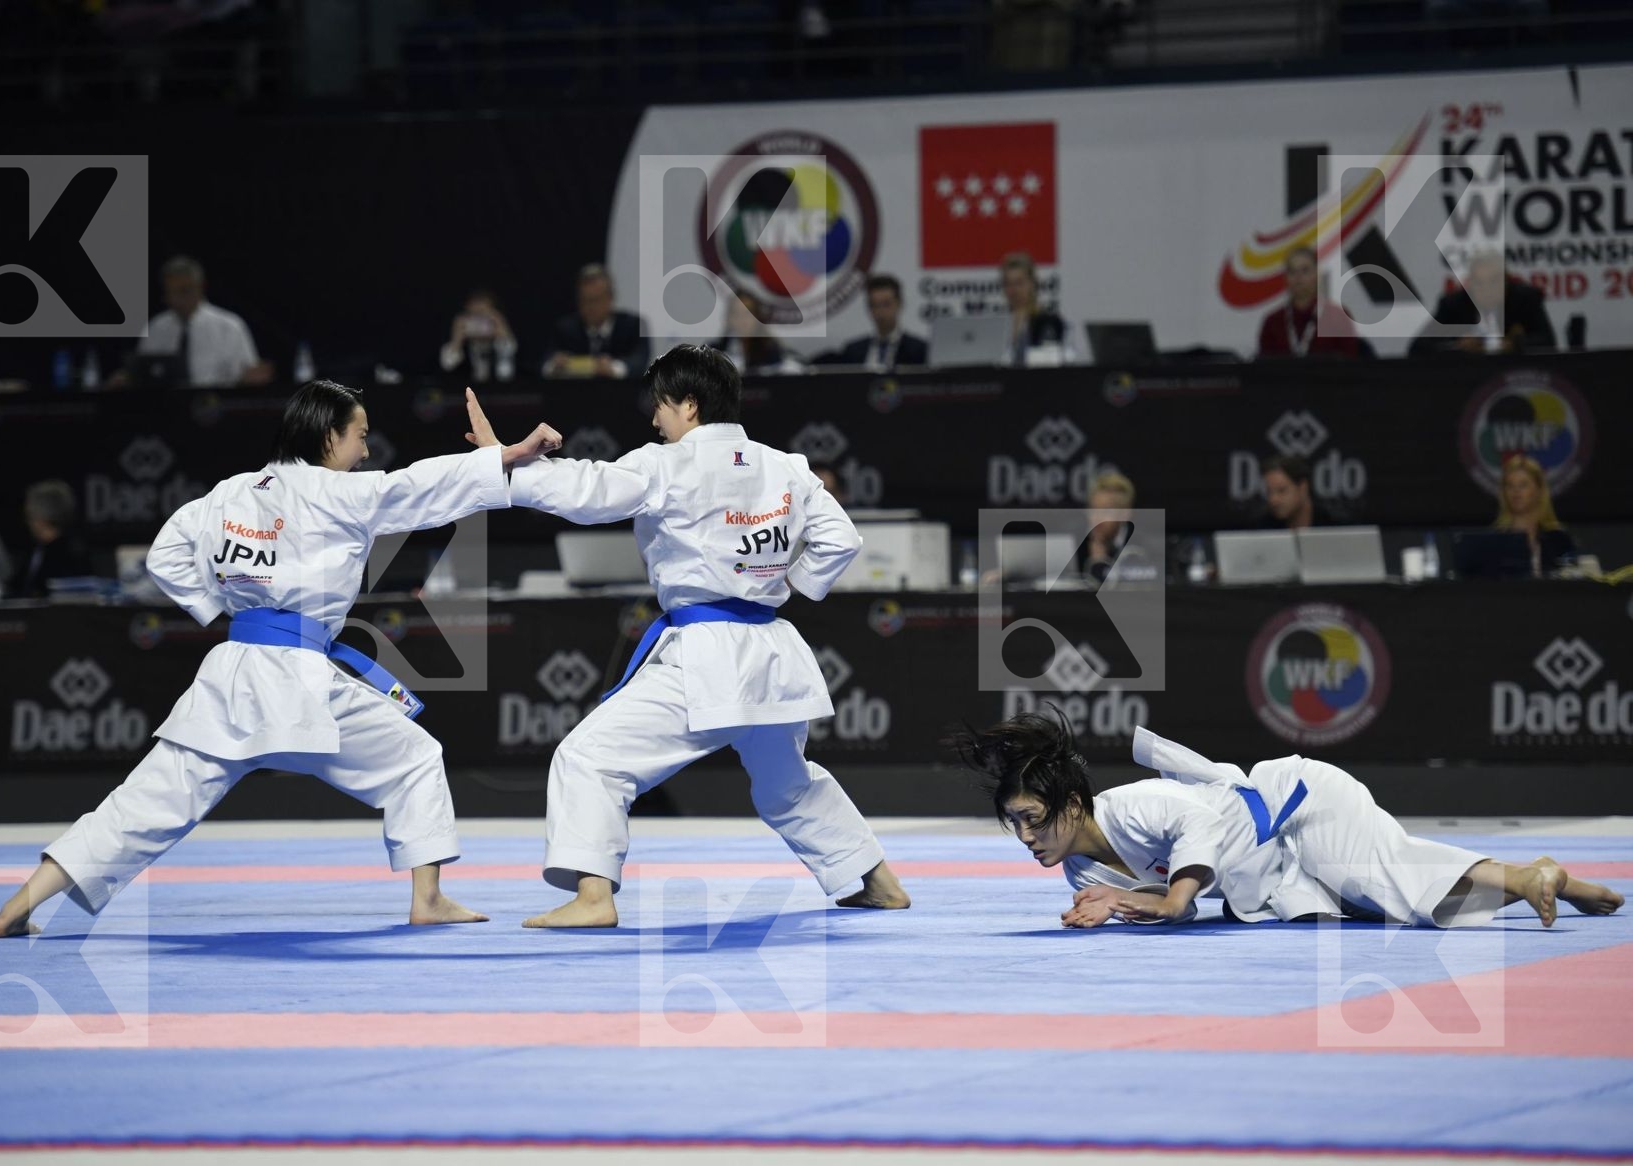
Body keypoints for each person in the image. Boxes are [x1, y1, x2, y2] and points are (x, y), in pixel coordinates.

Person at [0, 382, 563, 937]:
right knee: (414, 758)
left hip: (235, 671)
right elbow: (418, 487)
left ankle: (18, 904)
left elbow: (165, 554)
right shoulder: (338, 494)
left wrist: (222, 607)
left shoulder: (230, 493)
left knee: (147, 802)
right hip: (299, 681)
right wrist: (506, 457)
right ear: (329, 437)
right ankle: (427, 899)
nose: (366, 451)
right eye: (361, 436)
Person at [497, 344, 910, 928]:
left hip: (707, 656)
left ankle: (593, 898)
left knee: (589, 758)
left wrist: (503, 464)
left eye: (661, 406)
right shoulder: (785, 466)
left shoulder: (666, 465)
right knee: (788, 786)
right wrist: (788, 582)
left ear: (689, 405)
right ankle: (879, 883)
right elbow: (841, 539)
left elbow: (585, 491)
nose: (654, 420)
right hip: (772, 652)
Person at [953, 708, 1623, 929]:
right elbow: (1170, 908)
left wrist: (1171, 898)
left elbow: (1201, 833)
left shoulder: (1133, 805)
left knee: (1386, 878)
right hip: (1274, 869)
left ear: (1072, 804)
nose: (1027, 837)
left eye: (1032, 818)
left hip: (1296, 803)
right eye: (1016, 825)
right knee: (1394, 907)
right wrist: (1126, 903)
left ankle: (1529, 879)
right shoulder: (1081, 871)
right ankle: (1544, 878)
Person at [117, 256, 273, 388]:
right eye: (171, 293)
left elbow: (250, 377)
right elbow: (141, 374)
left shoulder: (230, 327)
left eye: (184, 291)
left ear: (200, 287)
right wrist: (127, 378)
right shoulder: (156, 328)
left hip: (214, 408)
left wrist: (252, 377)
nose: (176, 300)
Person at [1411, 251, 1557, 356]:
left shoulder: (1526, 299)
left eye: (1494, 281)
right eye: (1479, 283)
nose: (1486, 289)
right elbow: (1418, 347)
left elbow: (1548, 341)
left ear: (1506, 281)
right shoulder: (1453, 304)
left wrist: (1515, 344)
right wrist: (1457, 346)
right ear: (1470, 284)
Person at [1255, 247, 1365, 359]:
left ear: (1316, 274)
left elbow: (1350, 364)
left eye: (1305, 271)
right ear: (1285, 278)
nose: (1298, 277)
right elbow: (1264, 366)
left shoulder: (1338, 317)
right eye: (1292, 271)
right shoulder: (1272, 322)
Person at [543, 264, 648, 380]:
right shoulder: (565, 328)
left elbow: (639, 362)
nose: (590, 307)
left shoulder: (633, 326)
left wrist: (613, 368)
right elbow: (544, 363)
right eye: (584, 300)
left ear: (610, 299)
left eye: (596, 300)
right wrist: (554, 365)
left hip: (620, 390)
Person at [1493, 453, 1576, 575]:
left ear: (1539, 490)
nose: (1516, 491)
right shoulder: (1494, 541)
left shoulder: (1559, 539)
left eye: (1523, 485)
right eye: (1510, 485)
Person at [827, 274, 928, 369]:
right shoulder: (853, 351)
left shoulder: (918, 350)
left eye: (886, 304)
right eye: (874, 305)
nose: (880, 311)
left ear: (899, 304)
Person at [18, 479, 94, 597]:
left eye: (29, 516)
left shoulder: (73, 554)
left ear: (40, 518)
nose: (27, 522)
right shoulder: (34, 550)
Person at [713, 288, 801, 375]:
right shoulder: (716, 352)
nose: (743, 320)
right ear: (729, 319)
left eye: (748, 314)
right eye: (737, 314)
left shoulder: (773, 352)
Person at [439, 288, 517, 384]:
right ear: (468, 306)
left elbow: (507, 341)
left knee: (506, 346)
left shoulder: (495, 318)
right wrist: (458, 339)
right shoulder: (463, 320)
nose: (479, 308)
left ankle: (502, 368)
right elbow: (454, 347)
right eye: (476, 304)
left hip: (494, 351)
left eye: (483, 304)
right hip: (475, 352)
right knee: (449, 361)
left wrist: (497, 320)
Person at [1071, 471, 1136, 586]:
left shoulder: (1140, 547)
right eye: (1093, 510)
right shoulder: (1076, 543)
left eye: (1106, 512)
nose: (1097, 519)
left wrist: (1099, 563)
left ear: (1124, 514)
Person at [1001, 251, 1067, 364]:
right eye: (1008, 284)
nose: (1013, 290)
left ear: (1032, 284)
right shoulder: (999, 325)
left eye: (1019, 283)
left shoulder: (1047, 324)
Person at [1260, 454, 1316, 530]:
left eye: (1281, 490)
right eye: (1269, 492)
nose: (1273, 500)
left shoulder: (1330, 524)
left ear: (1302, 488)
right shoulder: (1263, 528)